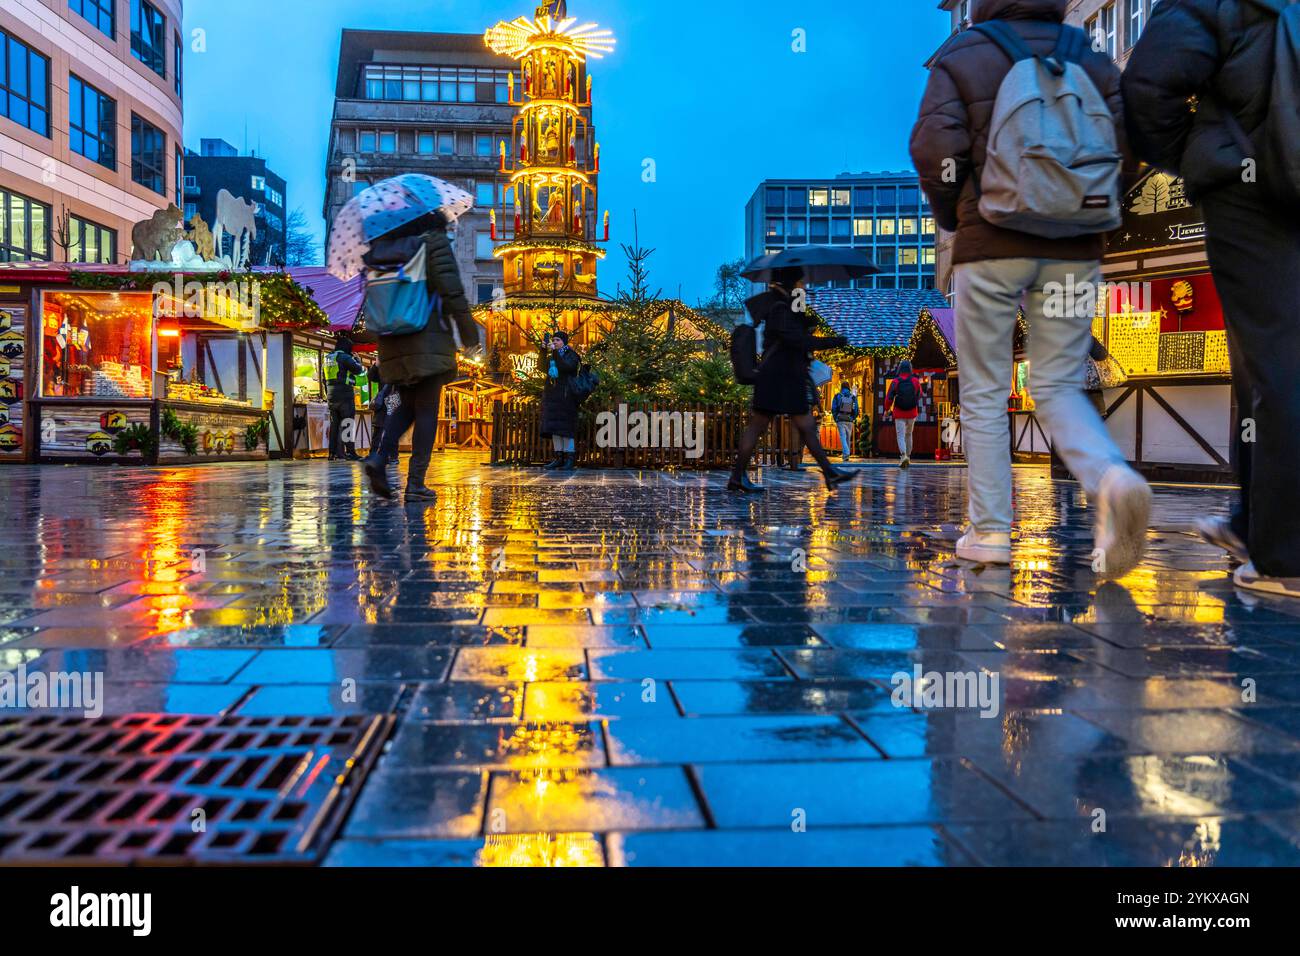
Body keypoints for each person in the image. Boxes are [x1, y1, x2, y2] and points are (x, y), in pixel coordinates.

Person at [910, 0, 1152, 570]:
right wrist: (1090, 202)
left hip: (990, 244)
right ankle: (1112, 478)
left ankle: (991, 531)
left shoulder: (965, 53)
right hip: (1074, 249)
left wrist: (956, 215)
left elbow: (933, 145)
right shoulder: (1089, 53)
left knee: (986, 392)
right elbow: (1132, 144)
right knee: (1060, 385)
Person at [1123, 0, 1300, 598]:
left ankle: (1285, 555)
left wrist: (1199, 156)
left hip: (1249, 188)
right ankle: (1256, 527)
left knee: (1271, 361)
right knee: (1267, 361)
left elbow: (1148, 88)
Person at [362, 210, 482, 503]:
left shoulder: (385, 248)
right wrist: (469, 334)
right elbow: (452, 291)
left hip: (391, 340)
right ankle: (415, 483)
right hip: (425, 334)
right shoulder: (433, 243)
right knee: (427, 409)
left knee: (404, 405)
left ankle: (378, 459)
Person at [728, 268, 856, 493]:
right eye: (800, 282)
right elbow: (797, 341)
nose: (804, 286)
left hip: (783, 377)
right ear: (790, 283)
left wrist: (804, 320)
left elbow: (796, 336)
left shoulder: (786, 305)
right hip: (780, 377)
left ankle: (830, 473)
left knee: (804, 426)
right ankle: (737, 477)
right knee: (759, 427)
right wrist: (833, 341)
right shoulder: (780, 307)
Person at [540, 330, 581, 471]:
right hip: (553, 395)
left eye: (557, 340)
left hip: (566, 395)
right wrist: (543, 350)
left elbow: (566, 367)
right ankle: (559, 458)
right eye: (554, 340)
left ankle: (569, 459)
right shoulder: (553, 356)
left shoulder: (572, 355)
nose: (555, 342)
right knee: (555, 428)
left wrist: (555, 353)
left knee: (566, 428)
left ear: (564, 341)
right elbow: (541, 366)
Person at [326, 336, 364, 461]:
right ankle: (350, 452)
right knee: (347, 423)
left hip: (331, 396)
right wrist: (358, 360)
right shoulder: (345, 358)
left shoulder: (327, 358)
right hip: (345, 395)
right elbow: (358, 370)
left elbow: (323, 379)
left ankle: (332, 453)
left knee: (334, 425)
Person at [885, 361, 920, 469]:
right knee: (909, 434)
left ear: (900, 368)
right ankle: (908, 457)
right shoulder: (915, 381)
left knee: (900, 435)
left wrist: (887, 409)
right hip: (912, 412)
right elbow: (919, 394)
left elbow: (889, 397)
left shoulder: (896, 381)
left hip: (899, 412)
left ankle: (903, 455)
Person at [831, 383, 859, 461]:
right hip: (849, 419)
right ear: (849, 387)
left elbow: (833, 408)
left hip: (840, 419)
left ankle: (846, 453)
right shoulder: (853, 397)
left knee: (843, 437)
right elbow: (856, 409)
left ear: (841, 387)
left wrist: (836, 418)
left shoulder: (837, 396)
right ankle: (846, 457)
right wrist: (853, 418)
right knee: (847, 437)